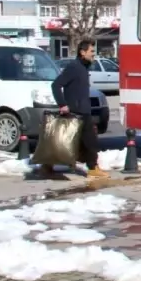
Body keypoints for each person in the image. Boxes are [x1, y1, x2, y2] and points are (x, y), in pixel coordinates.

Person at [50, 39, 105, 179]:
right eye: (91, 51)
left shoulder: (83, 67)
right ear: (82, 52)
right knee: (83, 142)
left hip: (84, 111)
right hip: (75, 112)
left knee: (79, 142)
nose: (94, 54)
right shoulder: (74, 67)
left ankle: (49, 165)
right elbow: (56, 85)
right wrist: (62, 104)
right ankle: (92, 168)